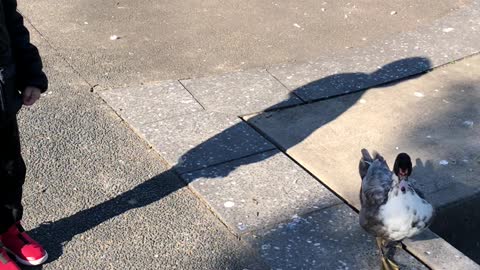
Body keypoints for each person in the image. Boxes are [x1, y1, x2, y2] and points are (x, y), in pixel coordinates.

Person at [0, 0, 48, 269]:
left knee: (9, 169)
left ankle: (8, 228)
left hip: (2, 98)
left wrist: (31, 76)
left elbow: (13, 24)